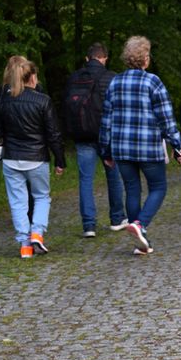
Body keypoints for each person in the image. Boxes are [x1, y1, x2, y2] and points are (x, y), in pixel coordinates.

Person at [100, 35, 181, 255]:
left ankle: (140, 240)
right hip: (148, 147)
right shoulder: (153, 82)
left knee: (132, 189)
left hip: (122, 148)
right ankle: (140, 224)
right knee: (158, 187)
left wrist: (105, 151)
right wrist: (177, 144)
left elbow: (106, 120)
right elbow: (166, 118)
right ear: (145, 58)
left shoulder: (115, 82)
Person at [0, 56, 66, 258]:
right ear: (32, 78)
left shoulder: (3, 101)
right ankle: (37, 233)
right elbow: (54, 134)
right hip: (37, 158)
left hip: (11, 158)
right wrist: (60, 160)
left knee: (18, 202)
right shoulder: (43, 101)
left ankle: (24, 245)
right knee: (41, 196)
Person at [64, 42, 126, 237]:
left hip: (82, 135)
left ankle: (89, 225)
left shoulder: (74, 78)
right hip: (108, 135)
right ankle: (117, 218)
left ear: (87, 58)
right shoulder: (112, 77)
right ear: (104, 58)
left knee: (85, 179)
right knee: (113, 175)